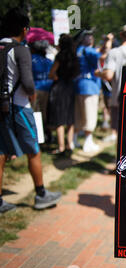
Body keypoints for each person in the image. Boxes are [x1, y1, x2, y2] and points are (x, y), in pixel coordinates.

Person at [0, 8, 61, 213]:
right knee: (33, 151)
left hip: (2, 106)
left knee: (1, 153)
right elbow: (27, 82)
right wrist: (32, 96)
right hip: (19, 106)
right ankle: (41, 194)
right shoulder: (21, 49)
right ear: (24, 30)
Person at [95, 24, 126, 144]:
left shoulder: (114, 52)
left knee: (119, 133)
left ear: (121, 35)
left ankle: (118, 160)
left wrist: (98, 73)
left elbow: (108, 75)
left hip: (117, 97)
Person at [74, 30, 111, 153]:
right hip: (90, 86)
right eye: (88, 37)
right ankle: (88, 141)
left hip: (78, 84)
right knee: (90, 115)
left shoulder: (78, 50)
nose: (91, 39)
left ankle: (74, 139)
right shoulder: (88, 50)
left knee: (79, 114)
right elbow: (102, 55)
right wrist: (107, 42)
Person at [47, 34, 80, 156]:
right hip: (70, 87)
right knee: (70, 118)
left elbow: (52, 73)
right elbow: (76, 73)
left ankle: (61, 147)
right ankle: (69, 145)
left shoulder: (60, 56)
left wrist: (56, 77)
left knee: (60, 118)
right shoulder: (75, 57)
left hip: (59, 87)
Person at [29, 39, 53, 142]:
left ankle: (39, 137)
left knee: (36, 113)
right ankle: (47, 135)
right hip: (48, 89)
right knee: (45, 113)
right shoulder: (49, 61)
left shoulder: (32, 59)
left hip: (36, 89)